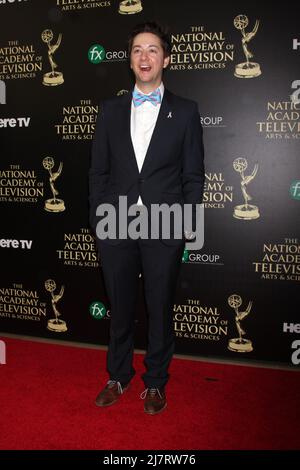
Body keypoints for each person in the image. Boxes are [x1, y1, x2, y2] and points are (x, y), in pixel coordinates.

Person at [89, 21, 205, 415]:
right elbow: (98, 172)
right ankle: (118, 375)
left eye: (152, 49)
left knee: (159, 307)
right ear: (130, 60)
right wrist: (99, 220)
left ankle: (156, 382)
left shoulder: (186, 112)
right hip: (116, 222)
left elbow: (193, 175)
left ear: (166, 59)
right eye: (138, 49)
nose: (144, 56)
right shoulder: (109, 110)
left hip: (165, 225)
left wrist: (186, 227)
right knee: (120, 307)